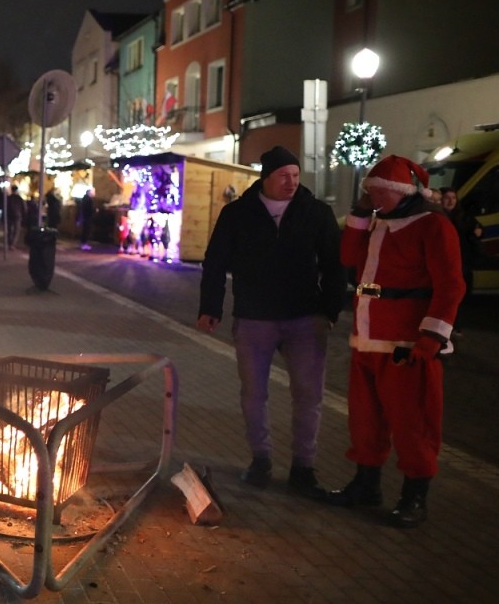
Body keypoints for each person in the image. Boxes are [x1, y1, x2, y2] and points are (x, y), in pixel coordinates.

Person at [196, 145, 345, 498]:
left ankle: (303, 467)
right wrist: (210, 307)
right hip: (254, 318)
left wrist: (330, 310)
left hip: (305, 319)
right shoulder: (238, 214)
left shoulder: (316, 213)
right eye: (283, 176)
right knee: (253, 394)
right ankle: (260, 460)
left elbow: (335, 264)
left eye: (295, 175)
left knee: (309, 396)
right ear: (265, 177)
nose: (291, 182)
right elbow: (215, 262)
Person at [328, 155, 466, 528]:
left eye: (381, 192)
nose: (375, 198)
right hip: (367, 338)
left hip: (406, 345)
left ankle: (414, 497)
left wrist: (431, 338)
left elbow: (450, 286)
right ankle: (366, 485)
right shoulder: (376, 223)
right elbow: (347, 257)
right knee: (365, 420)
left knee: (413, 424)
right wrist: (358, 214)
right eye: (370, 192)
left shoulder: (433, 226)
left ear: (402, 192)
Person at [440, 187, 480, 301]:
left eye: (453, 198)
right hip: (443, 256)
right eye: (447, 198)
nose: (451, 201)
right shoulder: (436, 216)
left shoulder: (463, 215)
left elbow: (476, 227)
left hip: (461, 255)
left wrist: (478, 231)